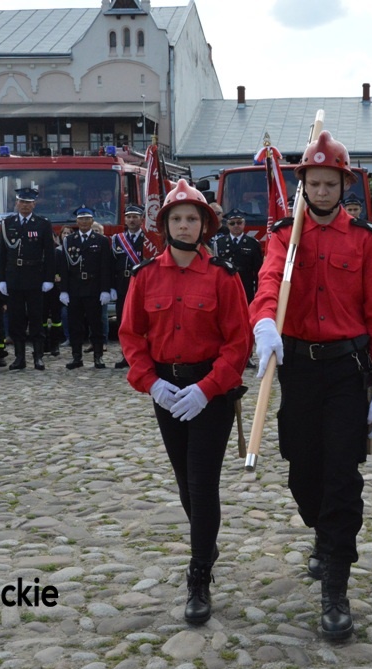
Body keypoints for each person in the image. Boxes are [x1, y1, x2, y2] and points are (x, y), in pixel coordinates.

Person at [249, 130, 372, 641]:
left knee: (341, 476)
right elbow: (270, 281)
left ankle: (336, 582)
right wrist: (263, 320)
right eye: (313, 183)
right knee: (303, 474)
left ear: (343, 186)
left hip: (345, 371)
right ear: (303, 187)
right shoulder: (284, 235)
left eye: (329, 183)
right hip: (299, 369)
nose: (321, 191)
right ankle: (323, 531)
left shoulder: (365, 240)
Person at [118, 179, 250, 625]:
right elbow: (131, 335)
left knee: (202, 481)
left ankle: (198, 575)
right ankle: (205, 542)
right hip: (166, 389)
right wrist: (150, 383)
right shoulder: (145, 276)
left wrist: (207, 388)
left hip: (209, 391)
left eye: (192, 218)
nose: (184, 225)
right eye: (177, 218)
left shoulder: (223, 277)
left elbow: (238, 343)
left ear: (204, 225)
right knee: (184, 483)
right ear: (165, 225)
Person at [0, 187, 56, 370]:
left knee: (36, 318)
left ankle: (38, 357)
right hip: (14, 276)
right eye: (22, 202)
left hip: (35, 275)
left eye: (28, 203)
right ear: (16, 203)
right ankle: (19, 358)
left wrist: (49, 278)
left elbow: (50, 254)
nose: (25, 205)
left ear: (34, 204)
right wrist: (1, 279)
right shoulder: (7, 223)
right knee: (16, 319)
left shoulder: (42, 224)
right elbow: (2, 254)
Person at [60, 207, 112, 370]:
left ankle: (98, 356)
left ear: (92, 221)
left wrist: (105, 289)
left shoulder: (101, 240)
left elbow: (105, 266)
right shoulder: (69, 240)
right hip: (74, 288)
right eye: (81, 219)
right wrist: (63, 290)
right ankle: (77, 357)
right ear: (76, 221)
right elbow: (64, 267)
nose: (84, 222)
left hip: (93, 287)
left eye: (87, 219)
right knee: (75, 325)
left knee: (96, 324)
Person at [111, 204, 146, 368]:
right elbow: (110, 264)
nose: (132, 220)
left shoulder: (148, 239)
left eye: (135, 217)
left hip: (142, 284)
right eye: (129, 217)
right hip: (122, 284)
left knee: (143, 320)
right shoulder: (117, 239)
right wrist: (111, 287)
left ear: (142, 219)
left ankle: (144, 355)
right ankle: (126, 355)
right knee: (123, 321)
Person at [213, 209, 263, 304]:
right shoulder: (219, 243)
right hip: (226, 286)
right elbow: (215, 269)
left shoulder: (253, 244)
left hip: (246, 286)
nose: (236, 225)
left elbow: (258, 270)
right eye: (232, 223)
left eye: (239, 223)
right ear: (227, 225)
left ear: (244, 224)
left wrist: (258, 291)